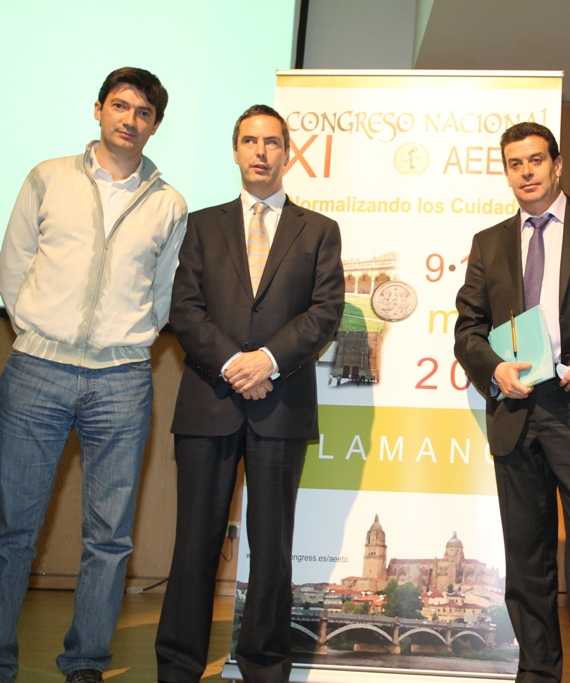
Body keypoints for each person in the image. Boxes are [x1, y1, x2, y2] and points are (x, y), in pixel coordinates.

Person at [0, 66, 186, 683]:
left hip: (122, 381)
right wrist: (35, 327)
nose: (130, 121)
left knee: (109, 540)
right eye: (121, 107)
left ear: (155, 126)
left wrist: (123, 342)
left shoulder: (169, 202)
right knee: (11, 530)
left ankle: (85, 664)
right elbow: (14, 264)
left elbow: (162, 298)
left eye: (144, 113)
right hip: (36, 370)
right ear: (99, 109)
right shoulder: (46, 178)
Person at [154, 105, 345, 683]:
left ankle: (263, 666)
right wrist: (235, 363)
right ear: (235, 151)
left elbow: (325, 313)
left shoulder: (319, 230)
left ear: (288, 153)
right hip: (208, 403)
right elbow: (183, 308)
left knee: (272, 550)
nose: (261, 152)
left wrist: (267, 361)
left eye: (271, 142)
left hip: (280, 408)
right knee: (194, 546)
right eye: (249, 141)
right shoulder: (202, 224)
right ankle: (179, 667)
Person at [454, 122, 570, 683]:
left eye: (534, 161)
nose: (525, 172)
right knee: (527, 556)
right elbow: (468, 329)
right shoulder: (489, 242)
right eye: (513, 163)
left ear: (557, 164)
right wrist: (494, 370)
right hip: (516, 410)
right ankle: (538, 670)